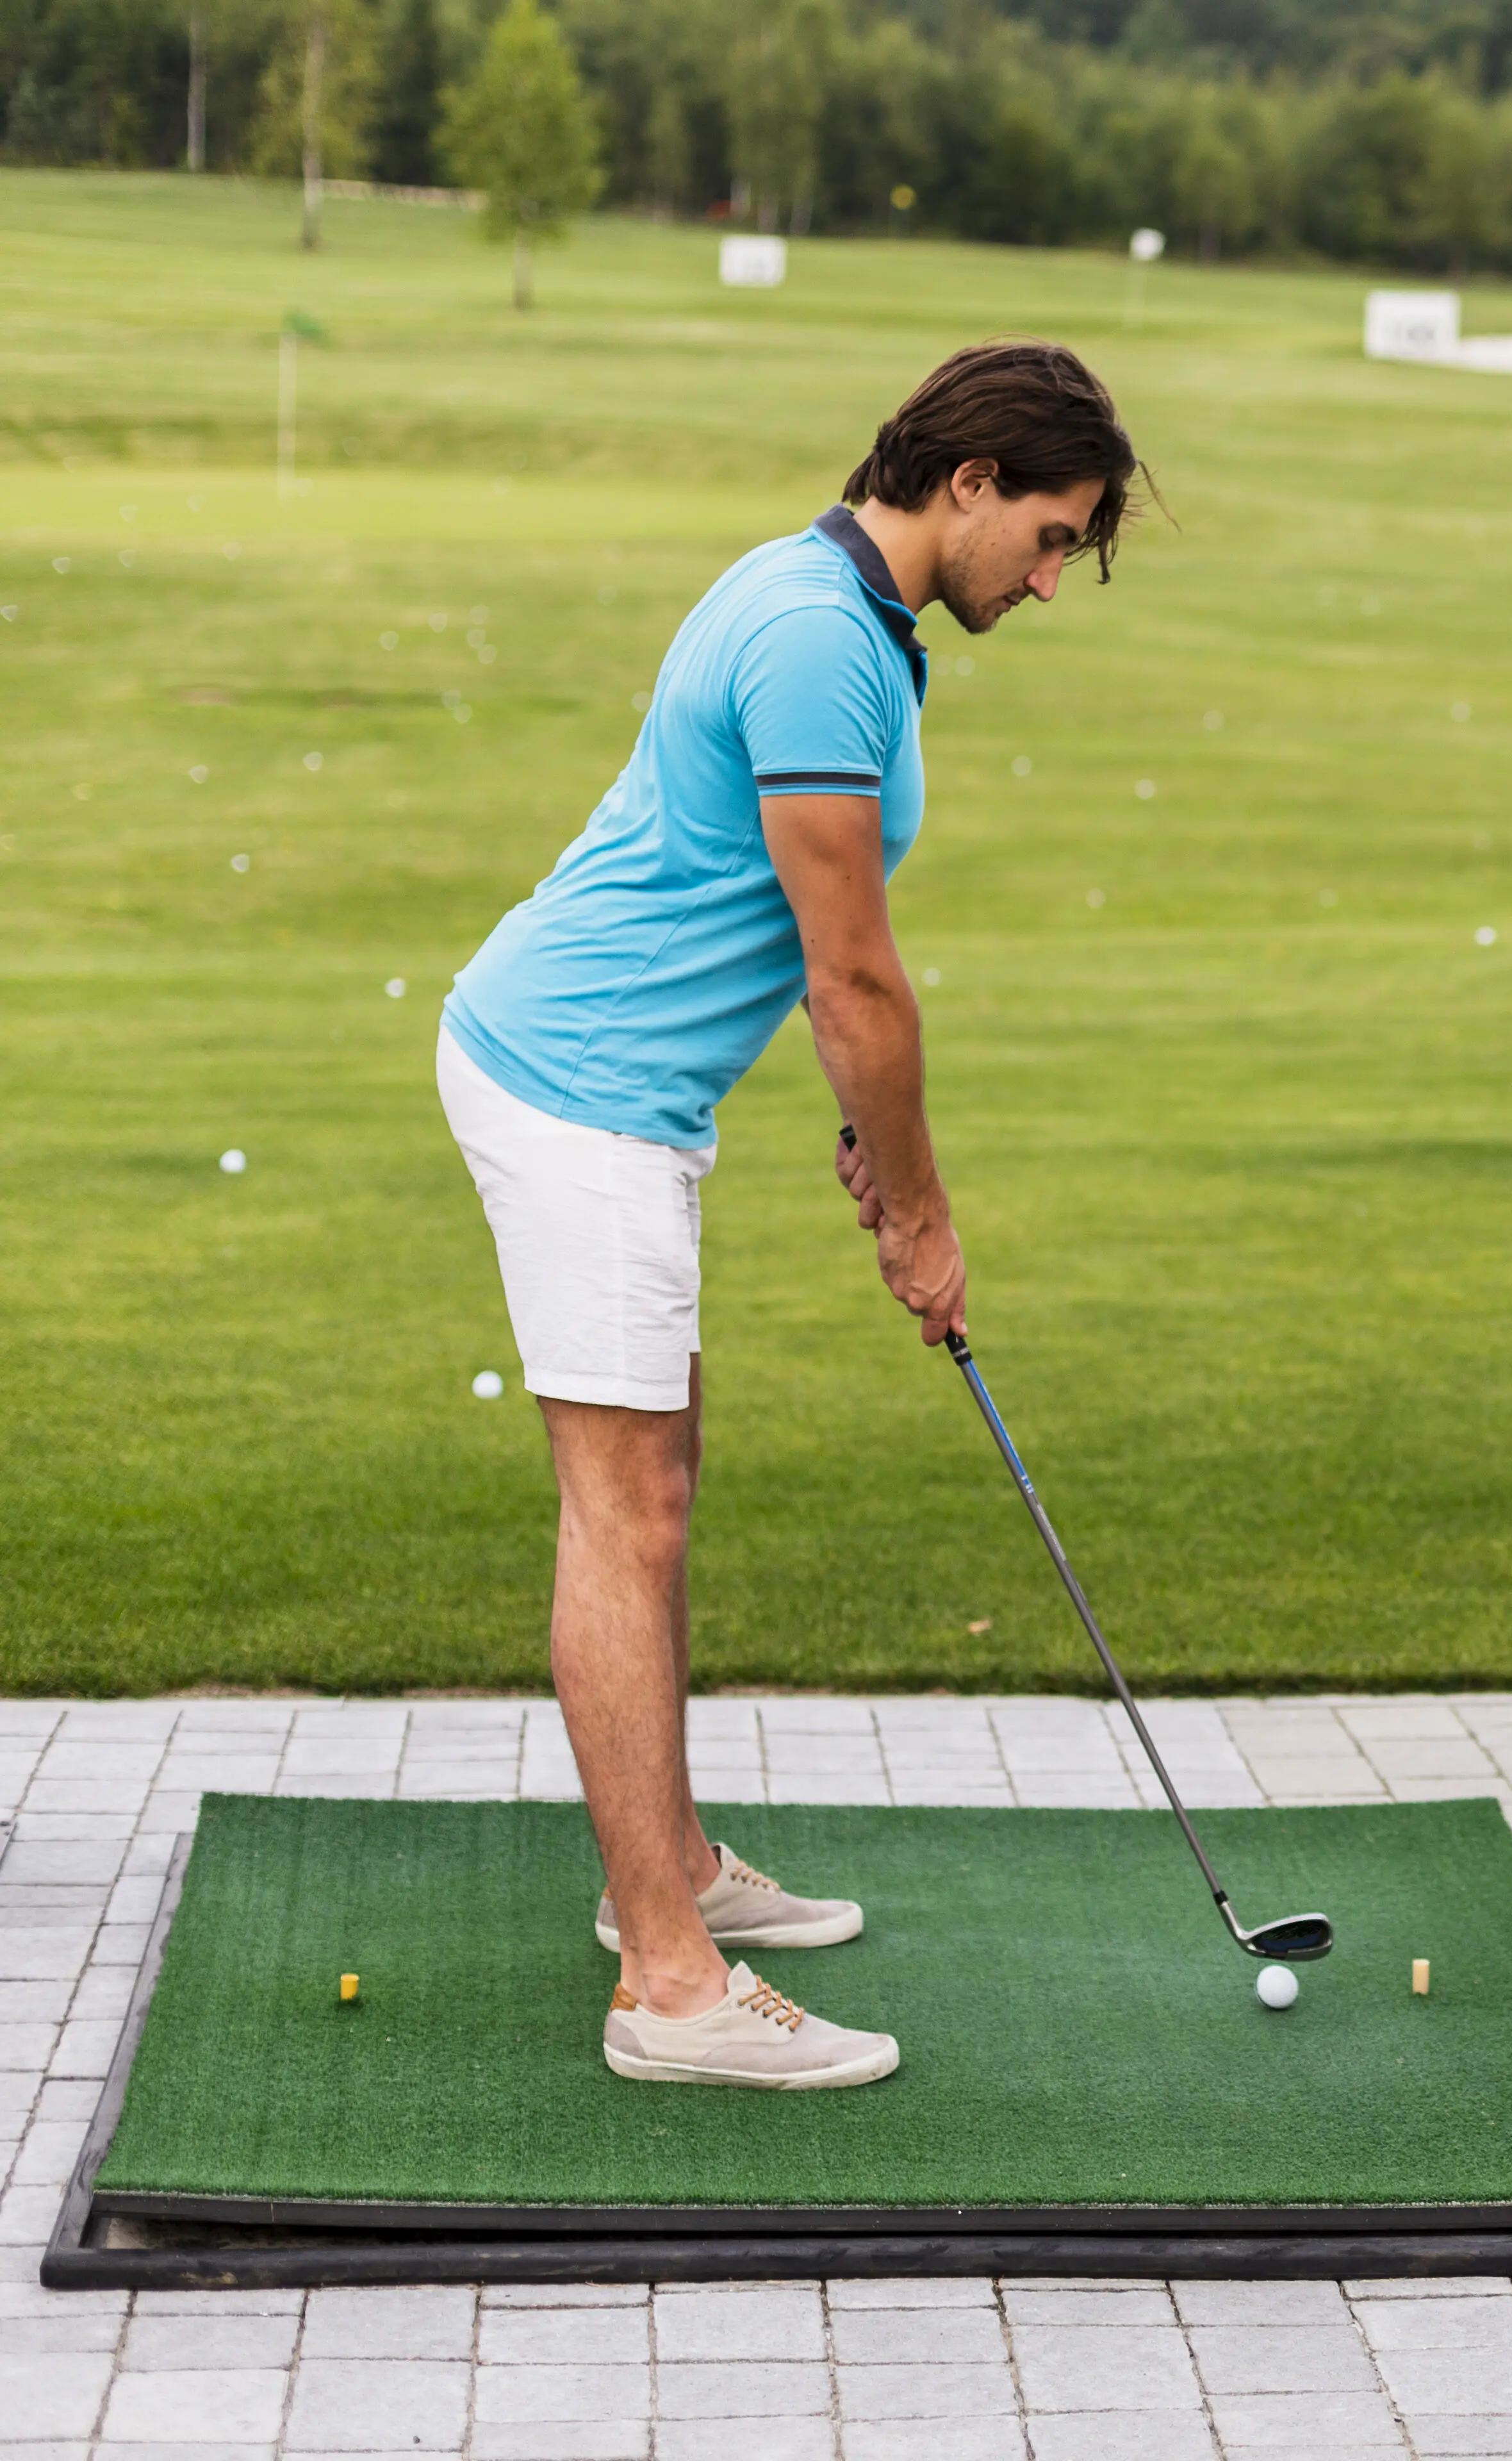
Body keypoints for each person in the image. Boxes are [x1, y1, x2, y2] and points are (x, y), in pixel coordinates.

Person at [437, 342, 1146, 2087]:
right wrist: (918, 1211)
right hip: (580, 1092)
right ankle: (669, 1992)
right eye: (1050, 539)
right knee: (626, 1521)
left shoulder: (821, 595)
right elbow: (855, 978)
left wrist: (861, 1125)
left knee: (656, 1489)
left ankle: (664, 1873)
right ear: (965, 483)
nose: (1048, 582)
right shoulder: (827, 645)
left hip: (611, 1084)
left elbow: (799, 947)